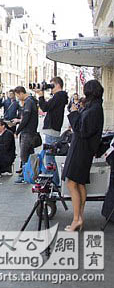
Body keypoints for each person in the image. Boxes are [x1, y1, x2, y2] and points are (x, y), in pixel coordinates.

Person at [62, 80, 105, 231]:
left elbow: (82, 130)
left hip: (81, 150)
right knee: (79, 183)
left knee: (71, 183)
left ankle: (76, 219)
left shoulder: (94, 109)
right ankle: (79, 217)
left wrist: (74, 113)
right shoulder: (94, 106)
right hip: (82, 149)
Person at [12, 86, 39, 184]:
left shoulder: (28, 102)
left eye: (17, 95)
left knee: (24, 155)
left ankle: (25, 176)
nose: (18, 98)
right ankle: (30, 174)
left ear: (21, 93)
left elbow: (26, 118)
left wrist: (17, 131)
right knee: (29, 154)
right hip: (31, 132)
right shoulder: (31, 101)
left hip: (27, 132)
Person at [36, 77, 68, 147]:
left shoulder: (58, 96)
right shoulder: (61, 96)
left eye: (52, 85)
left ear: (58, 85)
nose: (51, 87)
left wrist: (41, 96)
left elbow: (45, 107)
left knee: (49, 152)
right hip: (54, 128)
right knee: (50, 151)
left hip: (52, 128)